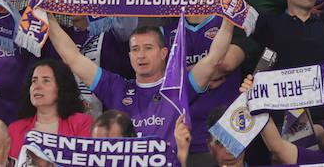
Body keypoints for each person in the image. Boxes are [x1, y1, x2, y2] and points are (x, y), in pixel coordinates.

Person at [45, 18, 234, 138]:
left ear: (163, 53)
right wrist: (47, 16)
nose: (141, 55)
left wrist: (228, 16)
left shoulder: (179, 86)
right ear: (129, 57)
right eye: (135, 49)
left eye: (148, 48)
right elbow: (73, 58)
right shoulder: (116, 88)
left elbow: (214, 58)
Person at [4, 60, 94, 157]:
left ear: (61, 87)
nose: (37, 87)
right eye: (34, 81)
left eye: (46, 80)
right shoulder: (15, 129)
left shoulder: (82, 123)